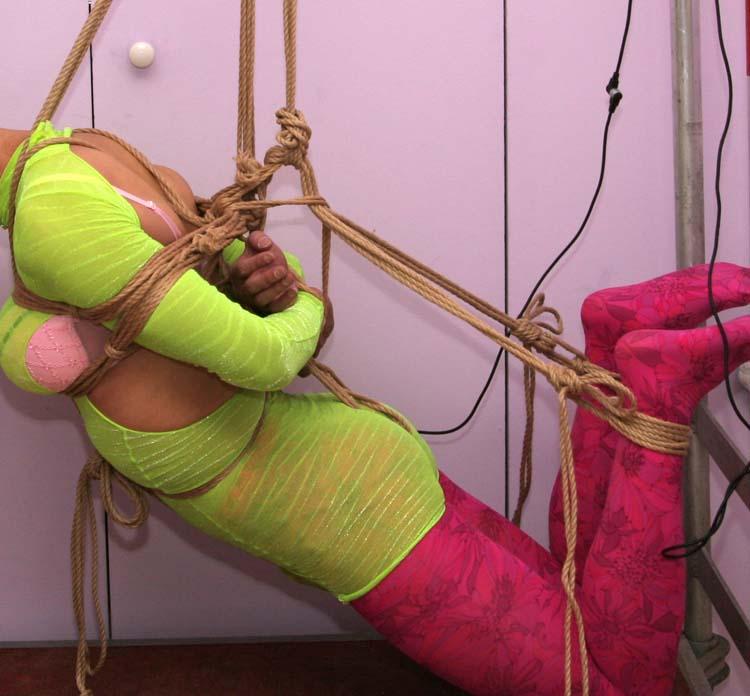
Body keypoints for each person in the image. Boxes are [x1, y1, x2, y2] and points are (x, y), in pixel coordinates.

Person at [2, 120, 749, 696]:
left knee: (613, 686)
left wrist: (300, 304)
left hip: (354, 515)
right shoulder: (84, 150)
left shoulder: (52, 211)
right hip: (346, 474)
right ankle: (611, 340)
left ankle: (656, 385)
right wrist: (284, 292)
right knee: (578, 611)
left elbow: (267, 354)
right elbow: (251, 279)